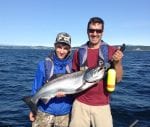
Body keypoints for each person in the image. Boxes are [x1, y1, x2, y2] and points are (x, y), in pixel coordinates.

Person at [69, 17, 124, 127]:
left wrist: (117, 63)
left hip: (102, 106)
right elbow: (72, 77)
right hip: (79, 104)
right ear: (87, 31)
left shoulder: (111, 51)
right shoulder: (78, 52)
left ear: (102, 32)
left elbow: (118, 79)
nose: (94, 34)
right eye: (91, 30)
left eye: (98, 31)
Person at [29, 32, 74, 127]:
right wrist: (32, 109)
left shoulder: (74, 66)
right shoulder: (43, 65)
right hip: (44, 111)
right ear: (54, 46)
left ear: (69, 49)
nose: (62, 51)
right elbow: (36, 87)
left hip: (65, 114)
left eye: (65, 48)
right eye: (59, 47)